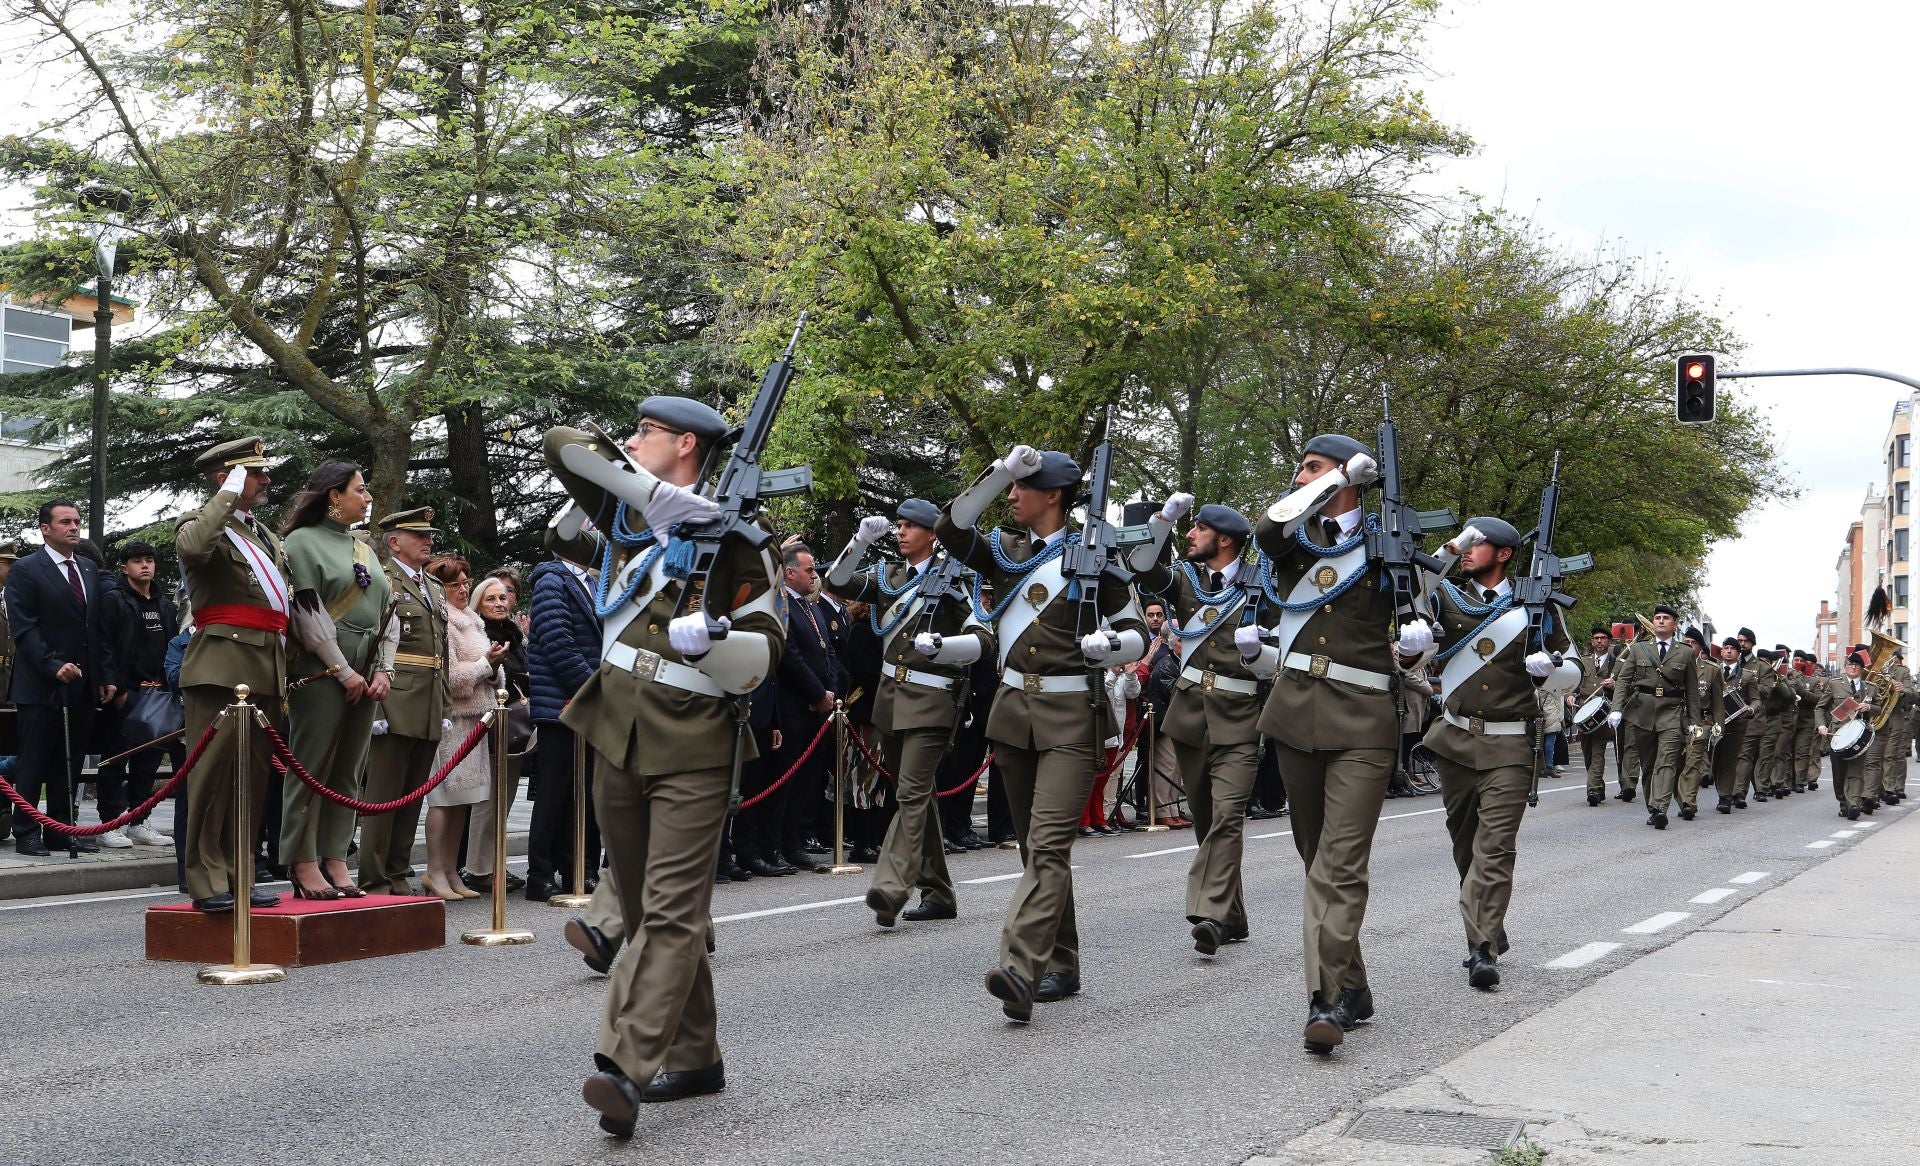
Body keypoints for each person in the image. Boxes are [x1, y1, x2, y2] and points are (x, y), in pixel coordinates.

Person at [543, 395, 785, 1137]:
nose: (628, 440)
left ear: (684, 443)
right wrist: (662, 501)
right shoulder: (632, 520)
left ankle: (623, 1064)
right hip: (617, 730)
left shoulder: (743, 541)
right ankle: (698, 1053)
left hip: (694, 743)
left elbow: (763, 653)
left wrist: (709, 642)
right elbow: (564, 443)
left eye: (644, 432)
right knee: (650, 912)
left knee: (674, 914)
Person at [936, 444, 1159, 1023]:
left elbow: (1136, 629)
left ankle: (1019, 964)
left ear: (1053, 495)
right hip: (1013, 712)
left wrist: (1112, 646)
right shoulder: (1004, 552)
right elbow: (952, 523)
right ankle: (1064, 961)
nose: (1011, 496)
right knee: (1037, 848)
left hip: (1070, 716)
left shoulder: (1097, 557)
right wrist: (1001, 470)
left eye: (1021, 487)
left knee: (1051, 843)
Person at [1251, 433, 1409, 1055]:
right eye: (1299, 469)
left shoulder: (1387, 542)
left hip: (1364, 722)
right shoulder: (1294, 545)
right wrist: (1328, 480)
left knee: (1340, 866)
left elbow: (1422, 595)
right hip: (1294, 716)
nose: (1298, 477)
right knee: (1315, 858)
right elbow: (1267, 530)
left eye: (1311, 468)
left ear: (1348, 476)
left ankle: (1325, 1000)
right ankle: (1354, 980)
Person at [1408, 517, 1581, 988]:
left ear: (1503, 553)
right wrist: (1451, 545)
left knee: (1496, 846)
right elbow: (1414, 588)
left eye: (1477, 543)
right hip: (1456, 739)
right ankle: (1488, 921)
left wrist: (1550, 672)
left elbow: (1576, 670)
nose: (1467, 550)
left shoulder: (1536, 604)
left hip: (1510, 743)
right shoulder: (1444, 597)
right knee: (1465, 845)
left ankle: (1481, 947)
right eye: (1465, 542)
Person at [823, 498, 995, 928]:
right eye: (897, 525)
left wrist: (945, 647)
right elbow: (837, 581)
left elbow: (983, 637)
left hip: (934, 699)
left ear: (932, 534)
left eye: (908, 526)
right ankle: (938, 892)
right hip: (890, 700)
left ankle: (892, 884)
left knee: (911, 792)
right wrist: (861, 541)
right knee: (916, 796)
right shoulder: (889, 577)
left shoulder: (956, 578)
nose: (899, 532)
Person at [1134, 502, 1276, 956]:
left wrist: (1259, 654)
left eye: (1198, 529)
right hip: (1191, 712)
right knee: (1205, 819)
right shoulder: (1183, 580)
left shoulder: (1264, 585)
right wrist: (1161, 523)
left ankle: (1210, 912)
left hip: (1240, 715)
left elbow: (1285, 647)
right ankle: (1232, 915)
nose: (1190, 534)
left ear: (1226, 539)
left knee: (1227, 815)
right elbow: (1141, 566)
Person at [176, 437, 286, 911]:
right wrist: (225, 494)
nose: (265, 480)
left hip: (266, 664)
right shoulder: (200, 525)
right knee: (212, 776)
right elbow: (197, 548)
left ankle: (239, 873)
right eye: (254, 473)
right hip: (221, 666)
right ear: (228, 478)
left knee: (251, 780)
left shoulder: (262, 534)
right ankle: (205, 880)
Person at [279, 461, 393, 900]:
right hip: (320, 671)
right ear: (334, 495)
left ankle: (336, 857)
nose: (366, 498)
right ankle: (303, 860)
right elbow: (307, 611)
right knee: (313, 766)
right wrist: (342, 671)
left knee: (349, 770)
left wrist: (384, 669)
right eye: (360, 490)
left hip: (366, 671)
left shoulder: (363, 547)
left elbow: (388, 613)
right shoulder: (301, 542)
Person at [5, 501, 118, 857]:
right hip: (40, 684)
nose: (73, 527)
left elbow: (95, 629)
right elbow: (24, 628)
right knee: (34, 760)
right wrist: (53, 664)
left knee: (68, 761)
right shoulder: (26, 569)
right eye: (64, 521)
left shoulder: (86, 568)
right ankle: (26, 830)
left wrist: (104, 675)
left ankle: (61, 829)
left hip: (83, 684)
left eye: (77, 521)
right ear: (45, 528)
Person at [357, 508, 451, 896]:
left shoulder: (433, 585)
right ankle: (374, 877)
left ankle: (397, 872)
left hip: (427, 699)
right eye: (418, 535)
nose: (428, 540)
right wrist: (375, 709)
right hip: (393, 697)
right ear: (394, 542)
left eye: (429, 534)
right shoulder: (379, 578)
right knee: (383, 796)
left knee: (411, 795)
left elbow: (439, 651)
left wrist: (442, 705)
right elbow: (371, 642)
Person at [525, 521, 604, 900]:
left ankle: (581, 868)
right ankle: (540, 874)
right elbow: (559, 643)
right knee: (555, 793)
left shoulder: (590, 583)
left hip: (587, 703)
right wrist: (593, 690)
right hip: (563, 703)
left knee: (587, 793)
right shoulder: (552, 580)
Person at [419, 561, 504, 900]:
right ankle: (433, 871)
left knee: (463, 802)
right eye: (455, 585)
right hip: (453, 718)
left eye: (466, 582)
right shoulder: (442, 622)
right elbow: (449, 678)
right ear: (440, 588)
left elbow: (488, 674)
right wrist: (487, 665)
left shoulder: (473, 620)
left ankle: (451, 871)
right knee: (443, 800)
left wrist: (494, 667)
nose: (464, 589)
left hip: (476, 719)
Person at [754, 544, 840, 874]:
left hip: (818, 708)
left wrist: (830, 689)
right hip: (792, 707)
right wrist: (818, 692)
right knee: (782, 782)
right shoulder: (782, 605)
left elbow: (827, 651)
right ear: (789, 572)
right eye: (809, 569)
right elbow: (790, 656)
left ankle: (793, 844)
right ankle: (770, 846)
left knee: (805, 783)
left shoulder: (811, 607)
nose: (814, 575)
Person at [94, 539, 182, 848]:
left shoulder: (165, 604)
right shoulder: (113, 599)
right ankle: (109, 823)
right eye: (137, 561)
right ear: (124, 567)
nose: (145, 565)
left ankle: (139, 820)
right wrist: (115, 687)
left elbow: (174, 647)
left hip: (158, 695)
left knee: (148, 763)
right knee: (116, 760)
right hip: (125, 693)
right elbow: (103, 644)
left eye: (149, 560)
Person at [1606, 604, 1706, 830]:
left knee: (1667, 762)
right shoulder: (1639, 649)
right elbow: (1623, 680)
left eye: (1666, 618)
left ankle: (1661, 808)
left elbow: (1691, 690)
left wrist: (1693, 723)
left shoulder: (1686, 652)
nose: (1660, 621)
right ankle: (1653, 807)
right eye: (1657, 618)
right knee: (1649, 765)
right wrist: (1616, 708)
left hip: (1671, 713)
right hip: (1642, 712)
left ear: (1675, 624)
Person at [467, 572, 530, 890]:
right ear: (478, 603)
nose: (499, 602)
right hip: (488, 719)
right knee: (488, 800)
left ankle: (495, 866)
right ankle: (479, 869)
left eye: (503, 597)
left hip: (514, 723)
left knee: (504, 798)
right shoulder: (477, 632)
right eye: (491, 598)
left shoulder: (514, 633)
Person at [1817, 650, 1876, 819]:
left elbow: (1879, 707)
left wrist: (1870, 707)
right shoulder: (1835, 684)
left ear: (1862, 669)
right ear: (1845, 667)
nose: (1853, 667)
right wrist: (1821, 725)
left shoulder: (1870, 688)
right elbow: (1820, 707)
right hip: (1837, 735)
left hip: (1859, 734)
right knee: (1839, 772)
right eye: (1850, 664)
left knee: (1856, 770)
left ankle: (1854, 804)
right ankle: (1843, 801)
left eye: (1857, 665)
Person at [1675, 626, 1723, 821]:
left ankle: (1689, 803)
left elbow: (1718, 702)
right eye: (1685, 642)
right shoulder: (1672, 666)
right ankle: (1681, 800)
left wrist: (1719, 727)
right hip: (1674, 721)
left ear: (1700, 648)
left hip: (1701, 723)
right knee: (1676, 765)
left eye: (1692, 643)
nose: (1687, 646)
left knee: (1693, 763)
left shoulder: (1711, 670)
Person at [1569, 626, 1617, 806]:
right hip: (1584, 715)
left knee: (1598, 752)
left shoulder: (1616, 663)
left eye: (1603, 638)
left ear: (1608, 641)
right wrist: (1571, 696)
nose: (1599, 641)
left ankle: (1593, 790)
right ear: (1591, 641)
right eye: (1596, 638)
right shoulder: (1583, 662)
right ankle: (1598, 786)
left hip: (1603, 716)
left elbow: (1627, 686)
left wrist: (1614, 684)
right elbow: (1574, 684)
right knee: (1587, 753)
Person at [1709, 638, 1756, 813]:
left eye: (1733, 649)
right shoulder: (1711, 671)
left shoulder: (1747, 675)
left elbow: (1756, 700)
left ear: (1738, 653)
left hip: (1736, 723)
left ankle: (1725, 797)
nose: (1729, 651)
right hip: (1712, 722)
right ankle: (1718, 786)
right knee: (1713, 760)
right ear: (1721, 652)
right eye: (1725, 648)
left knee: (1728, 760)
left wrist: (1751, 709)